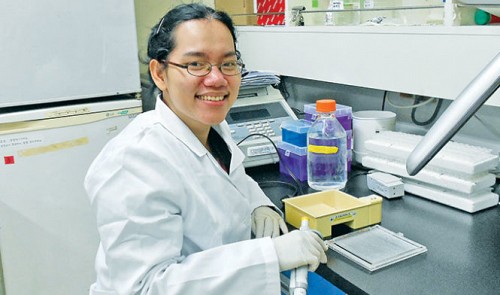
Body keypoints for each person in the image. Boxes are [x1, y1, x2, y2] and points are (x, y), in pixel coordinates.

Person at [84, 3, 327, 295]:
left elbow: (227, 181)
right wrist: (270, 255)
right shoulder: (133, 162)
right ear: (160, 73)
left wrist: (258, 203)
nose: (217, 79)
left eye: (228, 63)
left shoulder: (209, 127)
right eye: (196, 64)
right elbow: (145, 288)